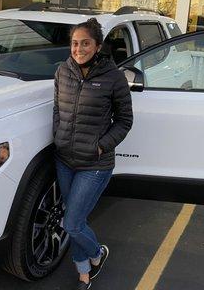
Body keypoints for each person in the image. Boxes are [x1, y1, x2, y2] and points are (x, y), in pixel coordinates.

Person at [53, 18, 133, 289]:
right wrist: (59, 137)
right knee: (74, 219)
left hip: (95, 164)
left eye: (85, 43)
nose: (79, 49)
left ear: (97, 46)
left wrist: (101, 145)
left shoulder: (113, 77)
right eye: (75, 43)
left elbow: (125, 121)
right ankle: (84, 271)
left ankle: (97, 252)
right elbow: (57, 110)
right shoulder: (63, 71)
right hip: (65, 160)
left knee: (72, 223)